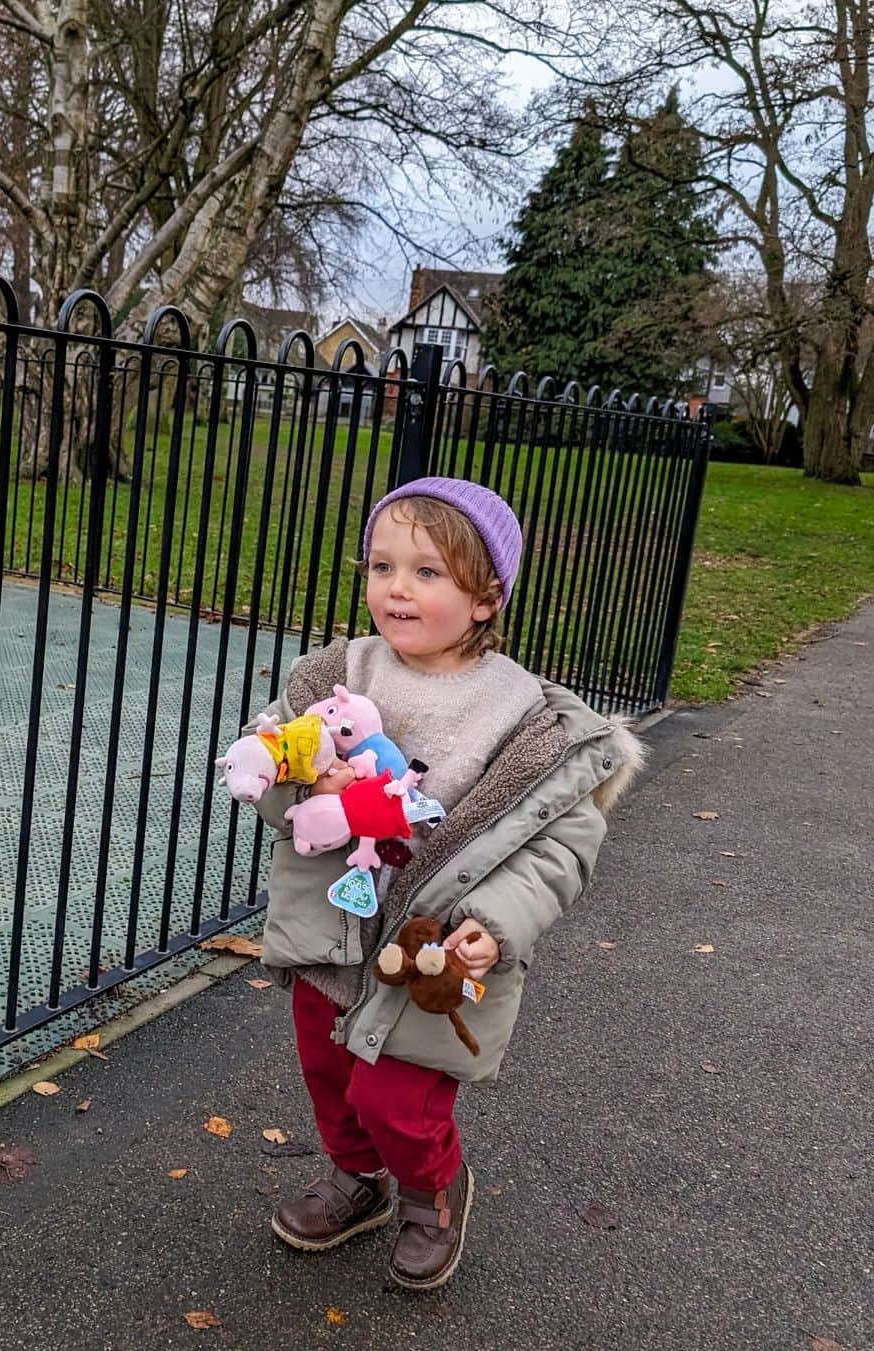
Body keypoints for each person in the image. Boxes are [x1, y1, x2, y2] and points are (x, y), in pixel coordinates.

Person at [245, 476, 644, 1291]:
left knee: (398, 1097)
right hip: (333, 924)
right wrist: (297, 789)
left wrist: (495, 924)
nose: (397, 586)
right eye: (382, 564)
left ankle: (433, 1190)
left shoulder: (524, 719)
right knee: (331, 1078)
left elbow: (558, 847)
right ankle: (358, 1178)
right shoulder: (332, 678)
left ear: (488, 596)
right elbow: (271, 776)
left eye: (429, 572)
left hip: (434, 954)